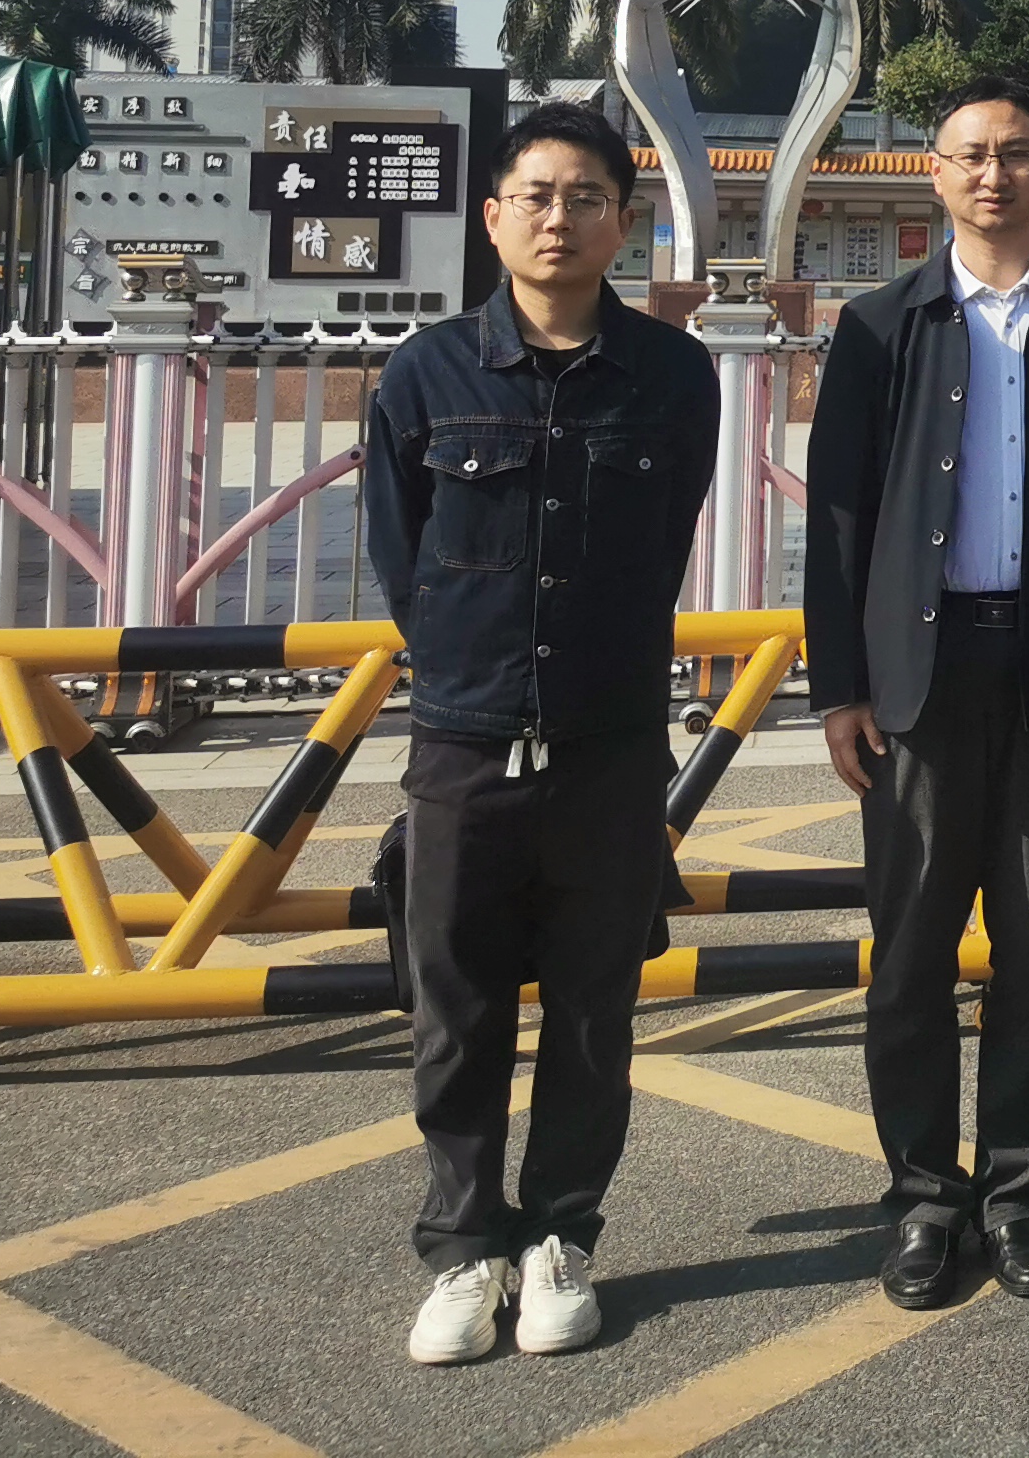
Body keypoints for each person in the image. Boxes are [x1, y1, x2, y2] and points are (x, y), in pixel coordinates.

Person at [364, 99, 719, 1366]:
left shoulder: (672, 375)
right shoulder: (425, 373)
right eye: (536, 195)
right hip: (463, 744)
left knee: (590, 1013)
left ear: (624, 222)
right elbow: (402, 558)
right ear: (493, 216)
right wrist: (478, 665)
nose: (558, 218)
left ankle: (562, 1234)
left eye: (586, 197)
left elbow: (664, 540)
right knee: (454, 1012)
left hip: (606, 746)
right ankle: (463, 1248)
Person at [806, 77, 1029, 1308]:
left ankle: (1014, 1193)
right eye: (970, 154)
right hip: (920, 676)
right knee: (910, 952)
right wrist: (838, 687)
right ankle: (922, 1197)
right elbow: (839, 523)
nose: (994, 174)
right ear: (936, 174)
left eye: (1018, 154)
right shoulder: (880, 324)